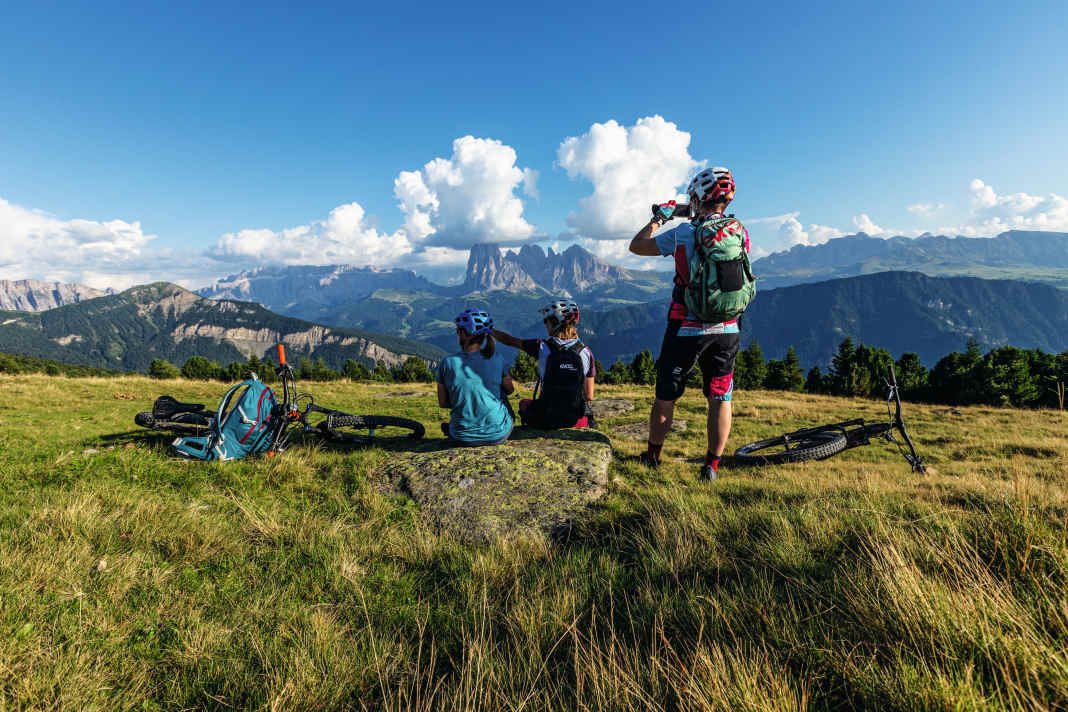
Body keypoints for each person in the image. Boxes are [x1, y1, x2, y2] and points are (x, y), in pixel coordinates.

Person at [627, 166, 751, 480]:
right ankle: (711, 466)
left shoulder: (683, 233)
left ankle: (653, 457)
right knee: (721, 397)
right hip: (728, 327)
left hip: (686, 326)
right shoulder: (740, 231)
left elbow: (637, 245)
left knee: (666, 395)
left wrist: (660, 218)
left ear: (697, 197)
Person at [493, 299, 597, 429]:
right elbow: (589, 396)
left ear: (555, 322)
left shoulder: (541, 347)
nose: (544, 324)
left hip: (547, 416)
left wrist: (490, 330)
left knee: (524, 403)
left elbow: (510, 341)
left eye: (546, 320)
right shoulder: (586, 352)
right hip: (575, 420)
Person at [436, 309, 514, 446]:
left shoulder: (447, 362)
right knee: (501, 390)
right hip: (498, 435)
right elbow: (510, 390)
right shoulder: (496, 358)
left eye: (458, 331)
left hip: (461, 437)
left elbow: (443, 403)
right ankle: (492, 424)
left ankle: (461, 426)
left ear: (462, 333)